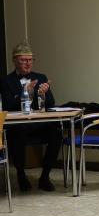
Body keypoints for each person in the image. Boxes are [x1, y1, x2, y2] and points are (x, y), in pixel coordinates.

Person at [0, 43, 58, 191]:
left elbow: (51, 104)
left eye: (30, 60)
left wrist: (43, 94)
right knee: (16, 131)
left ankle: (45, 176)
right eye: (23, 60)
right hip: (19, 125)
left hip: (38, 124)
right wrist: (24, 92)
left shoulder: (40, 77)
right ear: (15, 60)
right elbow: (7, 106)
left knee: (56, 131)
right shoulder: (7, 81)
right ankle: (20, 174)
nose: (27, 63)